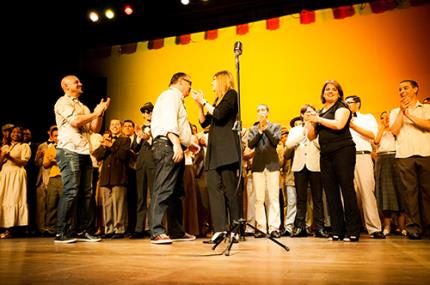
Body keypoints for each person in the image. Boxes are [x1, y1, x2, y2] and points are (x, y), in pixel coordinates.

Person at [53, 75, 110, 243]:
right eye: (76, 82)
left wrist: (100, 114)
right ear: (66, 86)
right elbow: (75, 122)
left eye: (79, 81)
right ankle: (61, 232)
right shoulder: (63, 102)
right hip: (69, 150)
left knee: (87, 193)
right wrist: (95, 113)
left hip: (84, 151)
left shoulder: (83, 106)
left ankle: (85, 230)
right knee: (71, 191)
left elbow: (94, 128)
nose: (80, 83)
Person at [308, 80, 362, 242]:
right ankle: (337, 230)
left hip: (343, 151)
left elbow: (339, 125)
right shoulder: (320, 112)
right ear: (323, 93)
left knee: (347, 189)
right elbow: (311, 137)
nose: (330, 92)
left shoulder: (342, 107)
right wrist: (310, 123)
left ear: (339, 93)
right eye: (327, 89)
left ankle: (353, 230)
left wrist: (318, 120)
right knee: (331, 193)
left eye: (334, 89)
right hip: (326, 154)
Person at [192, 70, 241, 244]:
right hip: (213, 150)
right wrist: (199, 105)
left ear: (221, 81)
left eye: (213, 81)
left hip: (226, 150)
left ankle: (235, 230)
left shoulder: (231, 95)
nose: (211, 85)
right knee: (214, 189)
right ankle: (220, 229)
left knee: (230, 190)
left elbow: (219, 115)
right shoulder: (216, 101)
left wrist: (204, 101)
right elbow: (204, 122)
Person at [149, 72, 196, 244]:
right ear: (181, 82)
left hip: (174, 146)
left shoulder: (177, 99)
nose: (191, 87)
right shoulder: (170, 96)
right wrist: (176, 144)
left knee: (176, 192)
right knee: (163, 188)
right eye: (189, 83)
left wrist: (188, 143)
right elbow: (169, 121)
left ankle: (176, 231)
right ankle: (156, 230)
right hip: (167, 146)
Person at [389, 80, 430, 240]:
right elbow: (394, 130)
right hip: (404, 155)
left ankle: (428, 226)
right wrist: (401, 112)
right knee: (409, 194)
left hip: (425, 153)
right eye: (399, 89)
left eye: (405, 88)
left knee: (427, 192)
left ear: (415, 89)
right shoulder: (394, 112)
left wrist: (409, 115)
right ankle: (413, 227)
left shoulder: (426, 108)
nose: (402, 91)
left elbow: (427, 125)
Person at [344, 95, 385, 239]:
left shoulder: (367, 117)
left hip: (362, 155)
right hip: (345, 157)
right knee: (348, 194)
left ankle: (374, 228)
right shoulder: (340, 118)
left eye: (350, 103)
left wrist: (353, 125)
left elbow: (373, 135)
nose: (347, 105)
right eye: (345, 103)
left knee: (367, 191)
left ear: (358, 104)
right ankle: (351, 227)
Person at [286, 104, 328, 238]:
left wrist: (312, 133)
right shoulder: (295, 129)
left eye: (312, 112)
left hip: (315, 166)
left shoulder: (320, 128)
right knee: (301, 199)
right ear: (302, 115)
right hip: (299, 166)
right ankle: (300, 227)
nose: (309, 115)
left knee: (317, 199)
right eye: (306, 113)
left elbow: (322, 146)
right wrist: (304, 131)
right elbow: (289, 144)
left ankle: (320, 227)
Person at [247, 104, 282, 238]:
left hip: (272, 165)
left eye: (263, 110)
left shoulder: (276, 127)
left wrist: (265, 128)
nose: (260, 112)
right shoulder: (253, 129)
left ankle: (274, 228)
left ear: (268, 113)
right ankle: (261, 227)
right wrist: (259, 131)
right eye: (258, 111)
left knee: (273, 197)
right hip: (258, 166)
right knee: (259, 198)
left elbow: (275, 141)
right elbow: (250, 144)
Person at [374, 111, 406, 236]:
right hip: (382, 159)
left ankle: (401, 226)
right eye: (383, 118)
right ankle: (387, 225)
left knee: (400, 192)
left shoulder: (397, 130)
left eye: (388, 118)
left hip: (396, 158)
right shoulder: (378, 129)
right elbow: (376, 142)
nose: (386, 120)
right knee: (385, 194)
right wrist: (382, 127)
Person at [0, 126, 31, 238]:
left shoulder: (24, 146)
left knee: (13, 199)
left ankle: (11, 229)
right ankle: (4, 227)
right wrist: (2, 157)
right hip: (5, 174)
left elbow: (24, 162)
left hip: (17, 174)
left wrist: (10, 157)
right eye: (13, 132)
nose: (15, 134)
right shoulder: (4, 146)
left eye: (19, 132)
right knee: (3, 198)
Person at [130, 102, 155, 239]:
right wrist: (139, 137)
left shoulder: (158, 126)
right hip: (141, 165)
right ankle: (139, 228)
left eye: (150, 111)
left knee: (153, 197)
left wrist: (149, 138)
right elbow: (134, 148)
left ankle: (153, 228)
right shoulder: (139, 128)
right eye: (145, 112)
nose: (147, 114)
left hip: (153, 165)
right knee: (140, 197)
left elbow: (158, 145)